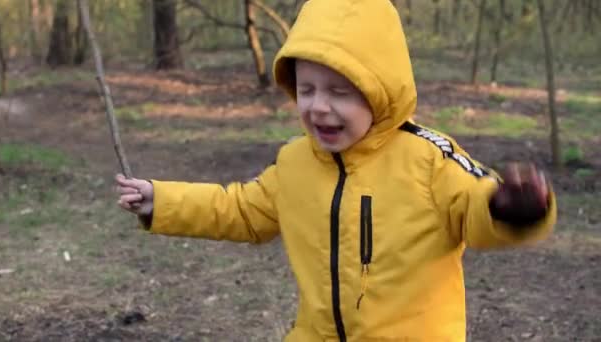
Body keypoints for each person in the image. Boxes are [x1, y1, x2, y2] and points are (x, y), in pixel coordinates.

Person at [115, 0, 556, 340]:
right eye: (306, 90)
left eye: (340, 92)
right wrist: (162, 200)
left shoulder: (428, 160)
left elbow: (475, 208)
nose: (318, 107)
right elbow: (241, 210)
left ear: (381, 93)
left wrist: (511, 208)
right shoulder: (295, 164)